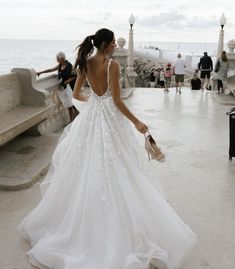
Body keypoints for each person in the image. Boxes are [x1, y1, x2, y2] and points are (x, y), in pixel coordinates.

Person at [19, 28, 196, 269]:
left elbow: (77, 94)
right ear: (104, 44)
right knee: (117, 163)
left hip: (92, 117)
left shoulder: (85, 63)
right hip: (109, 118)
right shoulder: (112, 65)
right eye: (113, 42)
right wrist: (137, 122)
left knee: (87, 165)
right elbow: (116, 100)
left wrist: (94, 100)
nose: (115, 45)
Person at [37, 51, 79, 122]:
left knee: (69, 104)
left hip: (69, 86)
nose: (57, 60)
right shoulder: (60, 65)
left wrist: (68, 80)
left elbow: (75, 75)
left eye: (57, 58)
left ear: (62, 58)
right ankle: (76, 114)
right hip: (62, 86)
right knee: (69, 103)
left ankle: (72, 119)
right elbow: (50, 70)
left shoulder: (69, 65)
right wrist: (40, 72)